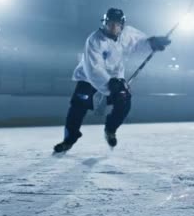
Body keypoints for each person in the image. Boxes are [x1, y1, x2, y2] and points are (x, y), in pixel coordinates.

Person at [53, 8, 171, 153]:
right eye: (110, 23)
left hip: (116, 78)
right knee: (77, 107)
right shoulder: (94, 40)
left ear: (122, 25)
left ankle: (110, 128)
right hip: (88, 77)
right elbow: (94, 68)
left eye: (117, 24)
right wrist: (109, 83)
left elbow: (139, 43)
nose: (113, 27)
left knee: (125, 102)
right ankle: (69, 140)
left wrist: (152, 43)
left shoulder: (127, 34)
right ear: (104, 23)